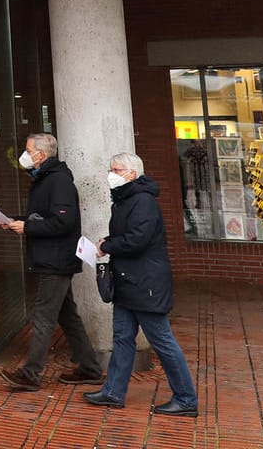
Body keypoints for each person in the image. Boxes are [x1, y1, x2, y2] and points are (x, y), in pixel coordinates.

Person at [83, 152, 197, 418]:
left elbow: (137, 240)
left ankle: (186, 398)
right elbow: (128, 235)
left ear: (132, 174)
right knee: (122, 338)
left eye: (116, 169)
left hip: (145, 284)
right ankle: (113, 391)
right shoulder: (124, 201)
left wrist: (107, 246)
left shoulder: (142, 201)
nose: (110, 173)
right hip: (128, 282)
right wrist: (107, 241)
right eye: (110, 168)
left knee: (162, 341)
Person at [0, 133, 103, 391]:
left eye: (28, 149)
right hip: (52, 257)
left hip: (56, 259)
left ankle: (31, 374)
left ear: (41, 155)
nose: (24, 154)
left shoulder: (58, 182)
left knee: (43, 317)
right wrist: (16, 221)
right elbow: (42, 216)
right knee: (68, 316)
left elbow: (62, 221)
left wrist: (29, 227)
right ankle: (90, 368)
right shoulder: (44, 179)